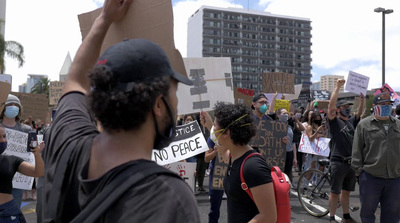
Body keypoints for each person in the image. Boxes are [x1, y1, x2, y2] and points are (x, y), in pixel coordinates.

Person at [43, 1, 200, 222]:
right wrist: (105, 19)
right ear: (157, 105)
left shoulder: (67, 140)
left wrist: (104, 19)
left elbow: (75, 82)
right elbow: (77, 82)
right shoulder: (168, 199)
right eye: (174, 93)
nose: (176, 104)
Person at [213, 102, 277, 223]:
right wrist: (207, 124)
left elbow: (269, 217)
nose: (213, 130)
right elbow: (223, 153)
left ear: (227, 132)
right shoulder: (234, 157)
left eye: (215, 125)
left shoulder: (253, 167)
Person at [352, 93, 400, 223]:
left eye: (389, 104)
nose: (386, 107)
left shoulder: (398, 124)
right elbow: (356, 150)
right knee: (367, 215)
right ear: (374, 106)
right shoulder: (364, 125)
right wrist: (359, 172)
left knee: (393, 215)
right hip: (371, 178)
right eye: (383, 104)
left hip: (394, 179)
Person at [327, 79, 363, 223]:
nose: (347, 108)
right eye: (344, 106)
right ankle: (331, 218)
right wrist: (337, 87)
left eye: (349, 106)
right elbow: (330, 105)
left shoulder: (351, 122)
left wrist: (362, 100)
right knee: (335, 192)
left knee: (346, 191)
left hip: (350, 163)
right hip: (338, 161)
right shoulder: (334, 122)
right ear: (338, 109)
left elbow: (360, 114)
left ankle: (346, 216)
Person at [0, 125, 44, 223]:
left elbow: (38, 172)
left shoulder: (11, 160)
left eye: (4, 136)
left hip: (8, 213)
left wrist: (37, 154)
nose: (3, 140)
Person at [0, 94, 33, 208]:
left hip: (18, 180)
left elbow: (31, 153)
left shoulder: (26, 130)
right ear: (3, 107)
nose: (13, 107)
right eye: (10, 104)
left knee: (14, 211)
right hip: (1, 176)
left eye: (16, 105)